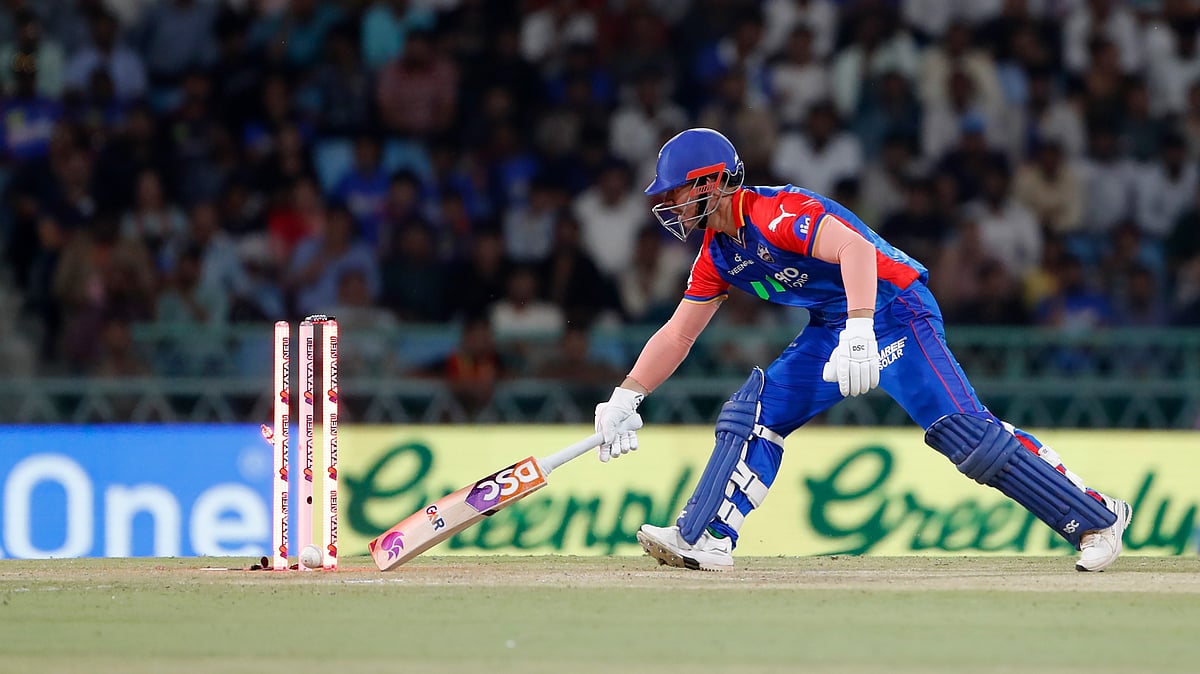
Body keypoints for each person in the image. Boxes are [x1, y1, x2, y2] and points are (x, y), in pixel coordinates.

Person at [592, 128, 1131, 573]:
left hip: (895, 308)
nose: (668, 205)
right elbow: (679, 333)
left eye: (676, 192)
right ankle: (705, 536)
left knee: (967, 439)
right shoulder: (717, 253)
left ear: (712, 181)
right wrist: (626, 396)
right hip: (837, 321)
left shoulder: (776, 214)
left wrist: (859, 328)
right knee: (754, 414)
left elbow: (855, 249)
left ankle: (1097, 517)